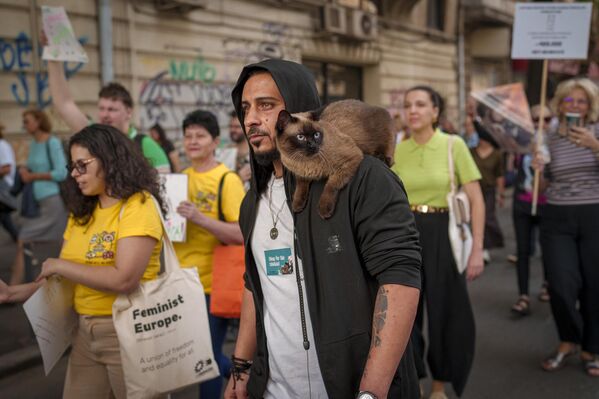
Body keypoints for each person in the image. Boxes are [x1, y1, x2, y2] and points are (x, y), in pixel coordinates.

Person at [224, 59, 422, 399]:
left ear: (301, 113)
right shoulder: (250, 203)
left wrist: (371, 392)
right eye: (245, 108)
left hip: (351, 386)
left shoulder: (365, 178)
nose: (252, 119)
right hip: (272, 388)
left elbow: (400, 278)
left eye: (266, 106)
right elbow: (254, 285)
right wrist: (240, 370)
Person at [0, 124, 167, 398]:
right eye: (72, 167)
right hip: (84, 334)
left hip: (129, 333)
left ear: (109, 160)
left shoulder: (139, 204)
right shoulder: (82, 211)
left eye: (82, 165)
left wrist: (59, 264)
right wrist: (12, 293)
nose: (75, 174)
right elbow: (64, 279)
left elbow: (124, 279)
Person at [391, 85, 485, 399]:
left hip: (444, 231)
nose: (412, 111)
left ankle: (441, 383)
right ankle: (413, 376)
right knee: (404, 312)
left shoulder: (452, 144)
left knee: (446, 311)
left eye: (420, 104)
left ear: (435, 111)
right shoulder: (396, 147)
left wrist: (476, 251)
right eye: (407, 105)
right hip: (404, 233)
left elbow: (476, 200)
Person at [172, 110, 245, 398]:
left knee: (206, 360)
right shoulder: (179, 179)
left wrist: (199, 218)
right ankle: (247, 373)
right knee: (197, 358)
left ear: (215, 142)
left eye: (200, 136)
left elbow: (240, 233)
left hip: (211, 286)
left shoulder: (227, 180)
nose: (192, 141)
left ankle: (239, 375)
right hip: (180, 283)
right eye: (188, 136)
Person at [535, 78, 599, 376]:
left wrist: (594, 145)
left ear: (590, 106)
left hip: (594, 214)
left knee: (593, 284)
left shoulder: (597, 131)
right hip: (557, 215)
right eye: (569, 101)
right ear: (560, 105)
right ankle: (568, 338)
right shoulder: (547, 135)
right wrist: (537, 166)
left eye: (581, 101)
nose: (575, 106)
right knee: (560, 284)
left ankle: (591, 347)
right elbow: (546, 181)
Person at [43, 33, 170, 173]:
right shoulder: (93, 135)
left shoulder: (145, 144)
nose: (105, 115)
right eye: (101, 108)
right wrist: (53, 55)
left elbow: (165, 185)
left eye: (112, 109)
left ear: (128, 112)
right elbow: (64, 104)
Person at [9, 110, 68, 284]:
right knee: (26, 241)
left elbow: (61, 172)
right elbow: (35, 166)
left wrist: (33, 176)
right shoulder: (34, 143)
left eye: (27, 121)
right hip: (35, 202)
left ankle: (17, 287)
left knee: (29, 239)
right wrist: (25, 170)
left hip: (51, 202)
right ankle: (21, 286)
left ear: (38, 121)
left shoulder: (53, 141)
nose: (24, 125)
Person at [510, 104, 551, 316]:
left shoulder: (556, 143)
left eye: (546, 119)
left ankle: (546, 284)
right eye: (536, 120)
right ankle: (523, 295)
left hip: (547, 205)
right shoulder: (521, 143)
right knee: (523, 250)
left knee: (548, 249)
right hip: (522, 203)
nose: (541, 124)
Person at [470, 123, 505, 263]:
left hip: (489, 190)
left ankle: (487, 246)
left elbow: (500, 175)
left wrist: (501, 194)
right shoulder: (471, 151)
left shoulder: (496, 154)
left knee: (488, 218)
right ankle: (477, 247)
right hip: (473, 189)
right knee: (472, 218)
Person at [0, 122, 18, 242]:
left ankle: (20, 240)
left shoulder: (2, 145)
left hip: (3, 185)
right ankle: (19, 239)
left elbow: (7, 168)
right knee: (4, 217)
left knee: (4, 216)